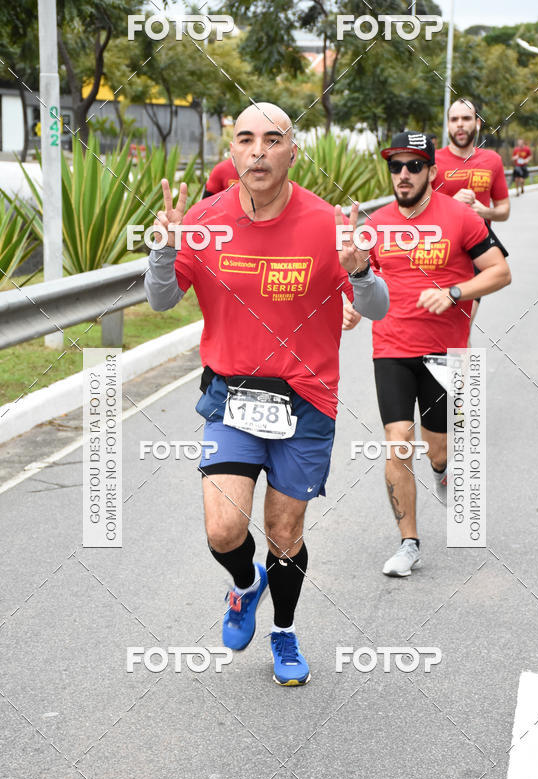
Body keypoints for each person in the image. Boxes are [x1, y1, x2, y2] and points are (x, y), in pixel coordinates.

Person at [144, 102, 388, 683]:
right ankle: (244, 583)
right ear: (232, 151)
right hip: (231, 396)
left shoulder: (328, 223)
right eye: (246, 139)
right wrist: (163, 251)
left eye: (273, 139)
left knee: (283, 533)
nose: (259, 150)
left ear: (292, 153)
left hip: (305, 400)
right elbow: (160, 300)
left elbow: (376, 308)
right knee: (224, 530)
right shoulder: (205, 219)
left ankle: (283, 630)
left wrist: (360, 272)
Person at [345, 132, 511, 577]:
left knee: (438, 449)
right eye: (396, 166)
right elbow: (366, 281)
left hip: (445, 353)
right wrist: (354, 308)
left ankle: (442, 470)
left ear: (432, 172)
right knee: (398, 441)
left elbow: (500, 271)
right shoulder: (377, 224)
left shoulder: (461, 217)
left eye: (414, 165)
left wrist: (455, 291)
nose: (403, 174)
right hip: (392, 348)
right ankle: (409, 543)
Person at [433, 99, 510, 330]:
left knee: (463, 325)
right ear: (448, 125)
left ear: (477, 123)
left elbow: (504, 210)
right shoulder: (432, 162)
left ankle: (464, 355)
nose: (460, 124)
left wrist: (484, 211)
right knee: (440, 329)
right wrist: (451, 205)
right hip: (439, 252)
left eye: (466, 118)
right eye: (454, 119)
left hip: (477, 253)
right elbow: (416, 211)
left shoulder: (492, 160)